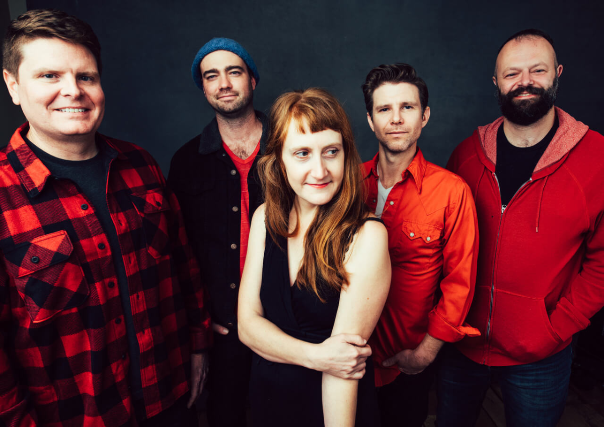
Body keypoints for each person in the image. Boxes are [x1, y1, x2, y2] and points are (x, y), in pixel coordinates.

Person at [0, 9, 211, 426]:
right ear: (13, 86)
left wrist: (200, 345)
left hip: (170, 397)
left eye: (86, 77)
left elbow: (184, 265)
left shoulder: (141, 165)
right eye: (49, 76)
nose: (73, 91)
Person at [439, 29, 604, 427]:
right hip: (461, 343)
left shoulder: (597, 158)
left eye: (537, 70)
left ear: (557, 74)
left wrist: (556, 327)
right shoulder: (466, 154)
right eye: (512, 73)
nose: (525, 82)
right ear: (496, 82)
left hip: (541, 354)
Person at [238, 88, 391, 427]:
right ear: (280, 160)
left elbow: (343, 369)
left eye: (331, 151)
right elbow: (247, 326)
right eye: (302, 153)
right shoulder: (265, 219)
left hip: (332, 410)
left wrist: (326, 362)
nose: (320, 171)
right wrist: (318, 356)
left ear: (346, 155)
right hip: (268, 403)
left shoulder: (366, 236)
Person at [361, 63, 480, 427]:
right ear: (370, 120)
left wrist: (425, 354)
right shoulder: (347, 183)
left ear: (424, 116)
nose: (396, 118)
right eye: (384, 109)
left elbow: (459, 284)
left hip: (407, 362)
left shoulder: (452, 192)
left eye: (407, 107)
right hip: (350, 359)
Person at [168, 37, 265, 427]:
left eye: (234, 72)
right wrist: (201, 322)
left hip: (285, 320)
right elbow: (178, 251)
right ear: (204, 88)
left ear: (252, 80)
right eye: (212, 76)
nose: (224, 83)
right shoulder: (186, 161)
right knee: (226, 415)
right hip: (221, 327)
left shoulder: (292, 147)